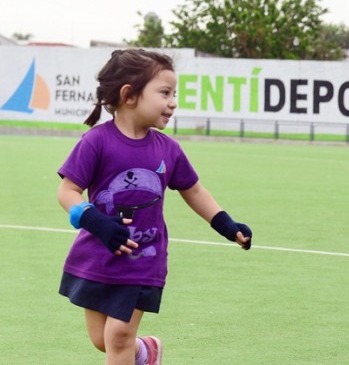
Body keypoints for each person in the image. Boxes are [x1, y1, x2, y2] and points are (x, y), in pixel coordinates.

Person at [56, 49, 253, 365]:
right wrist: (93, 219)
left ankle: (133, 349)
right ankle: (145, 353)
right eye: (164, 93)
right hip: (96, 257)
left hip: (143, 259)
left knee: (118, 336)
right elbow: (67, 191)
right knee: (103, 340)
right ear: (129, 95)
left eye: (174, 93)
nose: (173, 102)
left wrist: (226, 224)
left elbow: (194, 191)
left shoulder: (169, 150)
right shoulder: (96, 142)